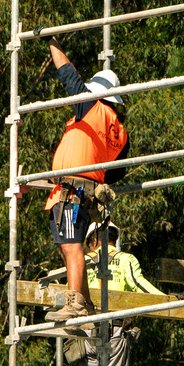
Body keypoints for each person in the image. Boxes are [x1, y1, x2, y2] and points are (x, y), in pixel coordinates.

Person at [41, 36, 130, 325]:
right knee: (72, 244)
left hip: (73, 192)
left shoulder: (93, 108)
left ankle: (75, 304)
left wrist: (52, 42)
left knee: (72, 247)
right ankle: (87, 305)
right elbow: (117, 172)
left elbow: (68, 75)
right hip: (83, 192)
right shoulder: (119, 130)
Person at [77, 222, 163, 366]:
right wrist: (167, 301)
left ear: (92, 242)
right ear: (115, 239)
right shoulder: (126, 260)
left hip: (87, 330)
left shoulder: (80, 262)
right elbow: (139, 284)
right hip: (116, 330)